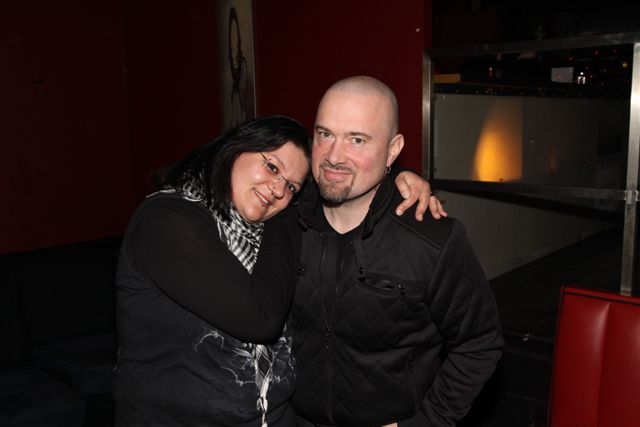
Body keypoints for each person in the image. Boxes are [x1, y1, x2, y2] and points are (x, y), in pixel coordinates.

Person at [112, 115, 439, 427]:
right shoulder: (167, 219)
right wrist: (288, 214)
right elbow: (260, 319)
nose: (278, 190)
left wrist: (394, 175)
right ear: (236, 149)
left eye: (292, 187)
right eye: (271, 167)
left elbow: (337, 181)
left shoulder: (260, 230)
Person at [289, 76, 504, 427]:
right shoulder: (283, 220)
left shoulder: (432, 239)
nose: (334, 156)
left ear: (392, 150)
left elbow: (479, 344)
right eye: (325, 134)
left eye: (357, 139)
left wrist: (427, 422)